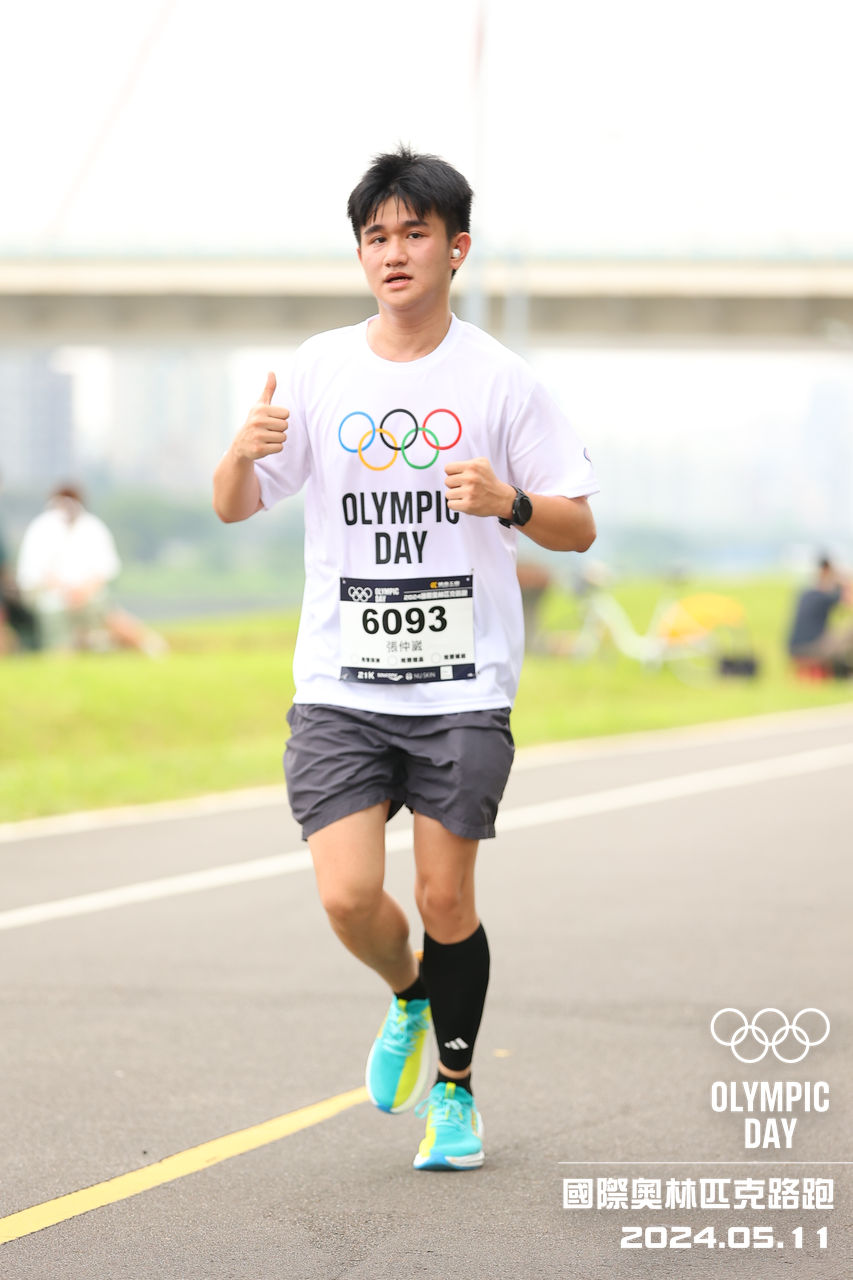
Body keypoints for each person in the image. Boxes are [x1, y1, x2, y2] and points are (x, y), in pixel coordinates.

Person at [213, 147, 598, 1171]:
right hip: (340, 684)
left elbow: (577, 526)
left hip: (461, 683)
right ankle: (409, 993)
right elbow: (234, 504)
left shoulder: (500, 380)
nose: (393, 252)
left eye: (413, 233)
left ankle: (457, 1095)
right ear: (360, 254)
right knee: (347, 896)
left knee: (443, 900)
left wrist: (510, 502)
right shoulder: (317, 367)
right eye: (375, 236)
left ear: (455, 248)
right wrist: (240, 451)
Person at [16, 485, 167, 655]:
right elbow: (33, 573)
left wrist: (83, 592)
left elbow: (105, 569)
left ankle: (149, 645)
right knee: (61, 643)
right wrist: (66, 591)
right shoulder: (41, 528)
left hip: (90, 599)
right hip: (52, 602)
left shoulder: (92, 527)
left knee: (114, 619)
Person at [787, 556, 853, 673]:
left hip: (793, 648)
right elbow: (848, 601)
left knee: (835, 632)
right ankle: (845, 670)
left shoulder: (806, 593)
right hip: (812, 648)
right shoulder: (824, 595)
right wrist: (844, 581)